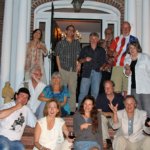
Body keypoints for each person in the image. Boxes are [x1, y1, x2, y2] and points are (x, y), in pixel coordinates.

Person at [55, 24, 81, 113]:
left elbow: (78, 56)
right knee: (62, 89)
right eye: (69, 30)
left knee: (72, 90)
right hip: (63, 69)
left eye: (72, 30)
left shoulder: (77, 43)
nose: (70, 31)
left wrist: (78, 65)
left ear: (74, 32)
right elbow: (57, 56)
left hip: (73, 70)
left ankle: (72, 110)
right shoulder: (60, 43)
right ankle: (60, 109)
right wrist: (59, 68)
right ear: (66, 31)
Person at [110, 21, 139, 97]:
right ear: (121, 29)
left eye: (127, 28)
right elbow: (110, 51)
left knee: (127, 89)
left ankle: (126, 107)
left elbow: (138, 51)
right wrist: (112, 53)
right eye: (123, 28)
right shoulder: (116, 39)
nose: (125, 29)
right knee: (115, 89)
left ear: (130, 29)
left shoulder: (134, 39)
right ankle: (117, 107)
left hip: (129, 66)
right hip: (117, 66)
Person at [78, 32, 106, 106]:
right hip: (86, 72)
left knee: (95, 93)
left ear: (98, 40)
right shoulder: (85, 49)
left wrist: (102, 67)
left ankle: (93, 110)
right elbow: (79, 60)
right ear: (89, 39)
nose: (93, 40)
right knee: (83, 93)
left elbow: (104, 61)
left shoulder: (101, 50)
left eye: (95, 38)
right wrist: (85, 59)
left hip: (97, 72)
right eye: (92, 38)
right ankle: (80, 110)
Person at [124, 40, 150, 117]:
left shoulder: (145, 57)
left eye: (134, 48)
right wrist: (127, 71)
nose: (132, 50)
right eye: (130, 48)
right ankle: (141, 127)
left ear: (138, 48)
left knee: (147, 108)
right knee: (138, 110)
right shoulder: (127, 59)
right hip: (133, 88)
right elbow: (126, 74)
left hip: (145, 87)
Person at [96, 80, 124, 148]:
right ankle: (106, 140)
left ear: (113, 88)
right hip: (104, 119)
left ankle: (119, 138)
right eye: (105, 88)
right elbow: (99, 112)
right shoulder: (100, 97)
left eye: (109, 87)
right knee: (101, 117)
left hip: (115, 118)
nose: (107, 89)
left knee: (119, 121)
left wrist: (113, 114)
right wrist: (111, 113)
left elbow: (122, 112)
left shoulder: (119, 97)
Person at [99, 28, 114, 93]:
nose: (108, 35)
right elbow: (99, 51)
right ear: (105, 34)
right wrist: (105, 42)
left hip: (113, 69)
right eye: (107, 33)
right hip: (103, 69)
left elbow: (114, 56)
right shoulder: (101, 42)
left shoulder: (115, 43)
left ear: (112, 34)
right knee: (102, 87)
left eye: (110, 33)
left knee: (111, 88)